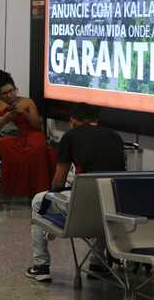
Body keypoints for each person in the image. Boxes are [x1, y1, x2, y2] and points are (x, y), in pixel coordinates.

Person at [26, 103, 126, 283]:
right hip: (112, 209)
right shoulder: (116, 137)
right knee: (103, 204)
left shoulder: (71, 136)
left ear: (72, 121)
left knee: (38, 201)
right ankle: (97, 264)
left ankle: (41, 266)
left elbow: (59, 180)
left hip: (80, 212)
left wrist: (52, 199)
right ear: (95, 120)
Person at [0, 71, 49, 198]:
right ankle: (16, 188)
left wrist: (24, 113)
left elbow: (37, 126)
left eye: (11, 91)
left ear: (15, 89)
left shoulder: (27, 102)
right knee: (3, 143)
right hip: (12, 136)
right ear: (0, 95)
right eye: (5, 93)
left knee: (37, 146)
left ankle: (38, 188)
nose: (10, 95)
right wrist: (5, 119)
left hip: (31, 132)